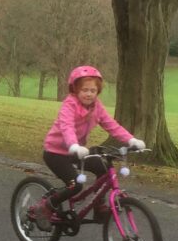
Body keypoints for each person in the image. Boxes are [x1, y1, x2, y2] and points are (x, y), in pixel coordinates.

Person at [30, 65, 145, 229]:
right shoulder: (69, 105)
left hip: (77, 151)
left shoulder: (97, 107)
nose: (89, 93)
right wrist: (74, 145)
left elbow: (111, 125)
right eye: (85, 90)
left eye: (93, 90)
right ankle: (45, 207)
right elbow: (66, 127)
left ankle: (99, 207)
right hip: (56, 153)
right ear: (75, 89)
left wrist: (131, 140)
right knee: (75, 185)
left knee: (104, 168)